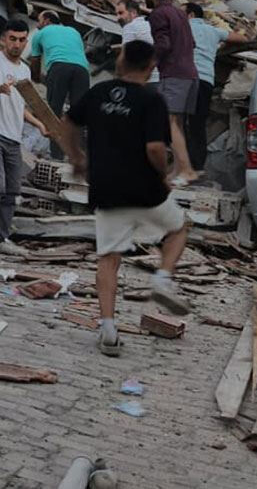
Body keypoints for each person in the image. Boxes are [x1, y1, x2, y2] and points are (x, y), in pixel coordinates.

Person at [62, 39, 191, 356]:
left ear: (120, 63)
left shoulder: (98, 93)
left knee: (108, 259)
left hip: (106, 188)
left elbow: (67, 123)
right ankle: (162, 279)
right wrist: (163, 173)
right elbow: (155, 148)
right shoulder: (152, 100)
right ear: (151, 67)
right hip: (146, 189)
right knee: (178, 230)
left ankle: (108, 329)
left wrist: (77, 158)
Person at [0, 19, 48, 257]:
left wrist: (39, 124)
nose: (16, 44)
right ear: (5, 38)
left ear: (26, 41)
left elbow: (19, 106)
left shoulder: (24, 70)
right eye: (12, 39)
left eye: (21, 40)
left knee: (12, 189)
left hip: (13, 136)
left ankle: (0, 238)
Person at [144, 0, 198, 181]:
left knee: (169, 123)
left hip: (174, 74)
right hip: (191, 75)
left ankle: (186, 170)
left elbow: (163, 44)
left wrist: (149, 65)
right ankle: (177, 171)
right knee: (178, 123)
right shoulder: (180, 13)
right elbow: (192, 43)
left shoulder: (158, 14)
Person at [184, 2, 250, 171]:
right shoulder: (212, 31)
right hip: (205, 81)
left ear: (190, 15)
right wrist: (219, 45)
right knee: (198, 124)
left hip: (185, 79)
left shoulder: (182, 28)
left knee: (179, 123)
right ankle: (197, 168)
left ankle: (180, 165)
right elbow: (242, 39)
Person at [27, 10, 90, 159]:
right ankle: (80, 157)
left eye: (39, 21)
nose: (38, 24)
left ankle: (57, 156)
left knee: (53, 112)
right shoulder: (73, 31)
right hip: (82, 70)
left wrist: (35, 78)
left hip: (59, 67)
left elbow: (35, 60)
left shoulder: (40, 34)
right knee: (79, 114)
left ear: (47, 21)